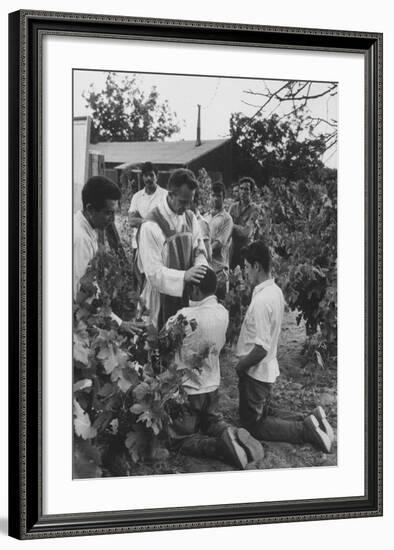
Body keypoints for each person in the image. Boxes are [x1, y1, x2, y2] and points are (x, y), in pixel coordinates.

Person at [235, 241, 334, 452]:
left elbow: (260, 347)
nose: (245, 272)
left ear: (257, 267)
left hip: (255, 372)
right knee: (266, 412)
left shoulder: (261, 300)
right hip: (266, 369)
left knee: (254, 424)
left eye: (246, 267)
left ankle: (305, 431)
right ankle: (311, 419)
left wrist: (241, 366)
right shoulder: (275, 291)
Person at [166, 267, 264, 469]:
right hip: (212, 389)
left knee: (179, 438)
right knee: (211, 422)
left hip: (188, 393)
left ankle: (221, 448)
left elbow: (163, 341)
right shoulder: (223, 313)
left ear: (195, 290)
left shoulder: (182, 317)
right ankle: (234, 434)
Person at [137, 168, 209, 328]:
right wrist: (184, 276)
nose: (187, 206)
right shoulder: (151, 225)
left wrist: (199, 268)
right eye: (183, 201)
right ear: (170, 194)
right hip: (159, 298)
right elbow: (153, 273)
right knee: (159, 345)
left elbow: (199, 250)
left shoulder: (190, 218)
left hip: (186, 294)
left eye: (190, 201)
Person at [74, 175, 144, 336]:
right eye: (108, 213)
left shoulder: (87, 228)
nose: (112, 220)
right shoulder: (80, 239)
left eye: (114, 213)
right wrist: (118, 323)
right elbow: (81, 296)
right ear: (91, 209)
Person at [128, 162, 168, 251]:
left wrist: (140, 219)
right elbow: (131, 221)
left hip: (159, 245)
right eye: (146, 175)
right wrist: (153, 220)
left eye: (151, 175)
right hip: (139, 245)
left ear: (157, 176)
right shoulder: (137, 197)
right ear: (142, 177)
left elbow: (167, 221)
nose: (148, 178)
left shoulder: (165, 196)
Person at [204, 182, 233, 298]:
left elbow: (220, 242)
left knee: (220, 306)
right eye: (213, 195)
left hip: (219, 271)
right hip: (206, 269)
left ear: (223, 198)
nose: (215, 199)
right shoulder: (206, 216)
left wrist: (203, 250)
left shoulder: (227, 219)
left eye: (219, 196)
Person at [229, 177, 260, 269]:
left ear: (252, 192)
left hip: (247, 251)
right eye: (241, 188)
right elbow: (225, 227)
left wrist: (232, 225)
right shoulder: (233, 207)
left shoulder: (255, 209)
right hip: (232, 250)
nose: (243, 191)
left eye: (246, 189)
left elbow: (247, 232)